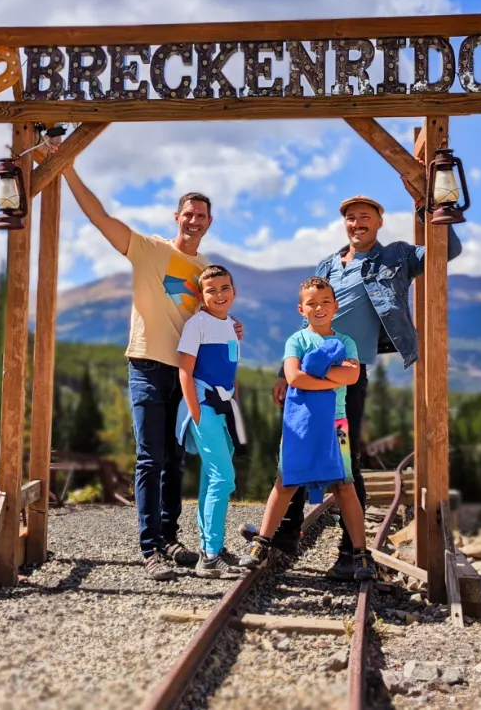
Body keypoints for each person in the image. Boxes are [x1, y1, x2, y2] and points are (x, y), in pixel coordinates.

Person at [241, 186, 462, 579]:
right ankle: (284, 538)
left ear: (378, 222)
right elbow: (305, 319)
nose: (357, 223)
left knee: (347, 462)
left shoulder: (397, 255)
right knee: (298, 453)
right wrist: (283, 372)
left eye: (365, 217)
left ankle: (350, 553)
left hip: (349, 375)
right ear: (344, 224)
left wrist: (434, 208)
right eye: (351, 217)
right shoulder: (328, 265)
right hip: (307, 376)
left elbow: (447, 252)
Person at [61, 159, 238, 580]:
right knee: (149, 459)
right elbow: (98, 216)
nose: (194, 221)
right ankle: (150, 549)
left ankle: (171, 538)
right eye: (188, 214)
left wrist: (233, 324)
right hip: (145, 364)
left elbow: (208, 317)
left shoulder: (205, 272)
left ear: (209, 223)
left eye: (201, 216)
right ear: (176, 217)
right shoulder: (148, 248)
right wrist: (67, 169)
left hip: (185, 373)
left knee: (175, 460)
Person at [239, 277, 376, 581]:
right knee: (286, 481)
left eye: (325, 302)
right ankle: (262, 543)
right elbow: (294, 377)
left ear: (335, 306)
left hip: (336, 424)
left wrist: (314, 373)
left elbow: (352, 377)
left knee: (344, 485)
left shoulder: (347, 342)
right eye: (312, 303)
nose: (319, 308)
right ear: (302, 309)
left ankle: (361, 554)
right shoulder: (296, 341)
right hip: (298, 424)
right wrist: (332, 378)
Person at [177, 264, 246, 579]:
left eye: (225, 288)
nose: (219, 294)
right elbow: (185, 371)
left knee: (211, 478)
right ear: (201, 296)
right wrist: (196, 411)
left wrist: (235, 407)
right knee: (224, 478)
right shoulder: (196, 325)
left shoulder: (233, 326)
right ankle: (210, 556)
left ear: (234, 291)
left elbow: (230, 370)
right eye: (211, 290)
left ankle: (209, 549)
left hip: (225, 410)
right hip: (203, 407)